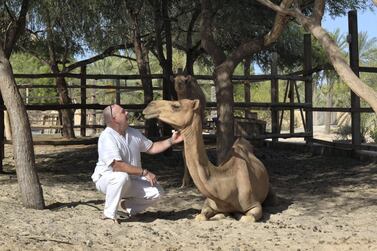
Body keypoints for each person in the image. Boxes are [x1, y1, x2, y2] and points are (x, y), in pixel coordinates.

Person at [91, 104, 183, 223]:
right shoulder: (107, 137)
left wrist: (171, 141)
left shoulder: (133, 132)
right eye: (123, 112)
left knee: (157, 192)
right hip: (107, 180)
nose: (127, 113)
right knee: (121, 177)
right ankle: (108, 214)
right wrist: (144, 172)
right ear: (114, 119)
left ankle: (128, 206)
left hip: (129, 180)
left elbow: (152, 147)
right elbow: (117, 166)